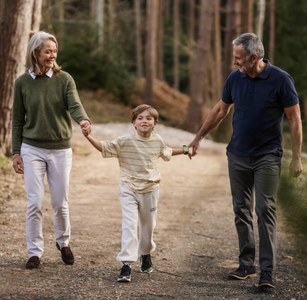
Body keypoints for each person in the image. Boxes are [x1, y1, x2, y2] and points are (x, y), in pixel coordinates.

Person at [188, 33, 303, 289]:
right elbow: (220, 110)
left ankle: (267, 272)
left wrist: (296, 158)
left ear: (254, 57)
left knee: (265, 210)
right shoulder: (234, 78)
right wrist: (198, 137)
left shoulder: (281, 80)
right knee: (241, 209)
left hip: (268, 156)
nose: (234, 62)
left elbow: (295, 119)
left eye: (238, 58)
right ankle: (247, 264)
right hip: (237, 154)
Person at [82, 104, 192, 282]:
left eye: (149, 118)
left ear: (155, 123)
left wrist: (188, 149)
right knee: (130, 225)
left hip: (150, 190)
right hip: (129, 188)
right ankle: (126, 264)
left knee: (148, 228)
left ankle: (146, 253)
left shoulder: (157, 141)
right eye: (140, 118)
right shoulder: (125, 140)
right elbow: (104, 147)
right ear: (133, 123)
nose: (144, 121)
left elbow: (169, 152)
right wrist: (88, 137)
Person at [12, 31, 91, 270]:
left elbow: (74, 105)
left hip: (59, 150)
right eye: (47, 51)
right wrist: (16, 152)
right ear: (35, 53)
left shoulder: (65, 79)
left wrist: (83, 120)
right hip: (32, 148)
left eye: (54, 51)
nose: (52, 55)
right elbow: (17, 120)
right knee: (34, 203)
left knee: (59, 202)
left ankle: (63, 242)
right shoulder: (22, 83)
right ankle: (35, 252)